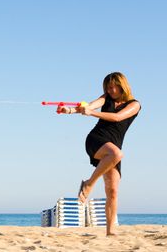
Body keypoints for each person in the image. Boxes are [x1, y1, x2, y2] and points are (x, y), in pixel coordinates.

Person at [57, 72, 140, 236]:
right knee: (117, 154)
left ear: (122, 85)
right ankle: (89, 184)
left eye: (112, 87)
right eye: (107, 88)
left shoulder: (134, 104)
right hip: (96, 140)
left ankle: (110, 231)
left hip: (112, 146)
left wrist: (91, 112)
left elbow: (117, 118)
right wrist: (70, 110)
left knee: (113, 191)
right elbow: (91, 105)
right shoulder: (106, 98)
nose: (109, 90)